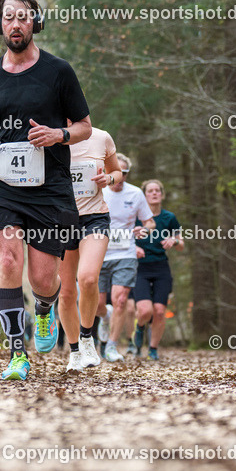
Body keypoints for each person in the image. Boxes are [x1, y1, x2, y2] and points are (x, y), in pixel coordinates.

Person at [0, 0, 92, 380]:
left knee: (42, 278)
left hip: (49, 185)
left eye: (23, 17)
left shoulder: (59, 72)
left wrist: (58, 135)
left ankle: (43, 308)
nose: (15, 24)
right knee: (6, 261)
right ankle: (16, 354)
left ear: (35, 23)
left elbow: (84, 128)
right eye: (8, 17)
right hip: (1, 184)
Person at [56, 125, 123, 371]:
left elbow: (116, 172)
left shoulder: (102, 136)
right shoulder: (50, 136)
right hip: (59, 220)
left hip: (94, 217)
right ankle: (74, 352)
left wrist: (108, 178)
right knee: (65, 293)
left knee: (87, 278)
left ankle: (87, 338)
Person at [96, 154, 154, 362]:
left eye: (125, 173)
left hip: (125, 253)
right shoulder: (99, 190)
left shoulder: (136, 193)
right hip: (99, 251)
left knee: (120, 300)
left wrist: (144, 230)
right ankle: (104, 316)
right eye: (116, 172)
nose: (120, 177)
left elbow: (150, 222)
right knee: (97, 303)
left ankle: (111, 345)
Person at [130, 179, 184, 360]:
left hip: (161, 267)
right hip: (140, 268)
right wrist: (134, 248)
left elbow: (181, 243)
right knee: (145, 311)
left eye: (157, 191)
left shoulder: (169, 218)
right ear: (144, 195)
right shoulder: (136, 217)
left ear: (162, 194)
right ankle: (139, 328)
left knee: (160, 311)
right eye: (150, 191)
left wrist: (174, 241)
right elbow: (123, 238)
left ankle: (153, 348)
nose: (154, 193)